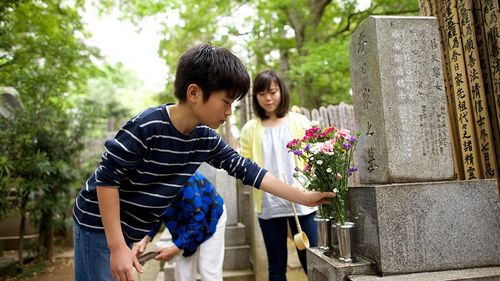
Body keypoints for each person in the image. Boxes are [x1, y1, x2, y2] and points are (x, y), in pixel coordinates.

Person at [72, 44, 333, 281]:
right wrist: (117, 247)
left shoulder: (205, 138)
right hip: (97, 224)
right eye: (226, 101)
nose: (230, 111)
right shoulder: (148, 125)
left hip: (128, 229)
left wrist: (303, 198)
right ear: (194, 92)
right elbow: (106, 179)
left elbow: (247, 170)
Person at [240, 69, 318, 280]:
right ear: (255, 97)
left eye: (272, 92)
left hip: (302, 201)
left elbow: (314, 157)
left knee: (312, 261)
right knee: (276, 266)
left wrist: (303, 182)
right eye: (262, 93)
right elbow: (245, 166)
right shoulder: (249, 129)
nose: (268, 98)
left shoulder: (300, 121)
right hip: (268, 204)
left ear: (281, 91)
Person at [132, 171, 226, 281]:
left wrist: (175, 248)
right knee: (183, 274)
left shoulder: (184, 180)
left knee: (208, 270)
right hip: (185, 224)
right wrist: (145, 239)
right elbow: (156, 213)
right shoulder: (151, 184)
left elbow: (197, 219)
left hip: (210, 216)